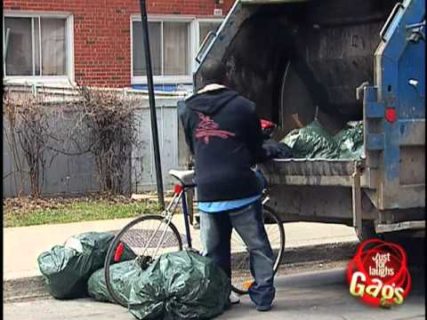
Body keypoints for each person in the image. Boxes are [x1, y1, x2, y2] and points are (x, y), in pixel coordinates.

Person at [178, 59, 281, 312]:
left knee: (214, 250)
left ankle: (221, 297)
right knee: (257, 245)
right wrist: (273, 150)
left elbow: (195, 149)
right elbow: (256, 151)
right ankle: (263, 296)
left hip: (207, 192)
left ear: (202, 80)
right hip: (241, 190)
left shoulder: (186, 109)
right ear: (227, 77)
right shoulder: (244, 107)